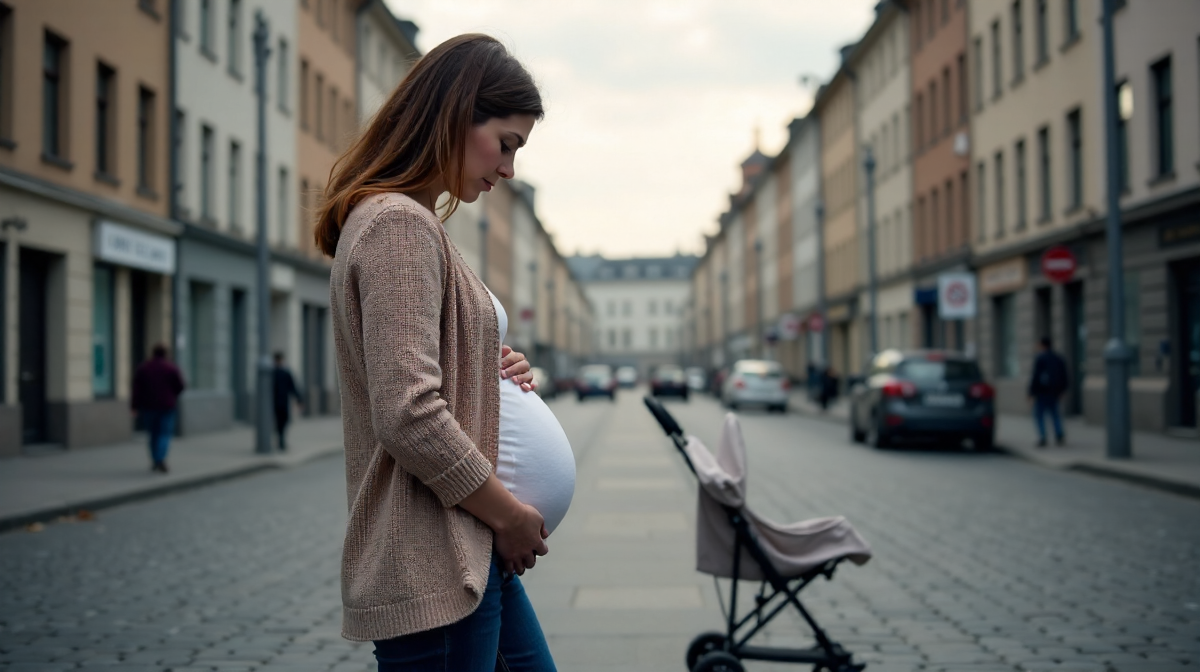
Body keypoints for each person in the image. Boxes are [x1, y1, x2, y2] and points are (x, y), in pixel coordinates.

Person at [317, 34, 572, 671]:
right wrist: (510, 517)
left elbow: (428, 366)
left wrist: (493, 364)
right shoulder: (398, 225)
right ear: (455, 115)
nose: (508, 169)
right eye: (505, 143)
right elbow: (408, 412)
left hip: (466, 552)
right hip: (438, 557)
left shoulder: (410, 222)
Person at [130, 344, 186, 473]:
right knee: (164, 433)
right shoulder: (171, 368)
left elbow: (136, 389)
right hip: (167, 406)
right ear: (165, 354)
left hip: (149, 406)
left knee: (153, 434)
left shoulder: (144, 368)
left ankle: (155, 459)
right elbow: (180, 386)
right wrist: (172, 395)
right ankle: (160, 458)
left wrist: (134, 406)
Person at [1028, 336, 1069, 447]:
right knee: (1055, 415)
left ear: (1042, 345)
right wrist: (1062, 390)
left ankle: (1042, 437)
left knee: (1039, 416)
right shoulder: (1058, 358)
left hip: (1042, 392)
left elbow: (1035, 377)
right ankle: (1059, 434)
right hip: (1054, 392)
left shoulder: (1040, 358)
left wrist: (1031, 393)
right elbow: (1064, 375)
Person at [272, 353, 303, 451]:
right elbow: (293, 387)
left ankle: (281, 439)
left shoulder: (285, 373)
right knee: (279, 421)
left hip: (282, 401)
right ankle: (280, 439)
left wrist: (299, 399)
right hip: (276, 402)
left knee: (283, 420)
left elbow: (292, 387)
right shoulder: (272, 373)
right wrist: (299, 399)